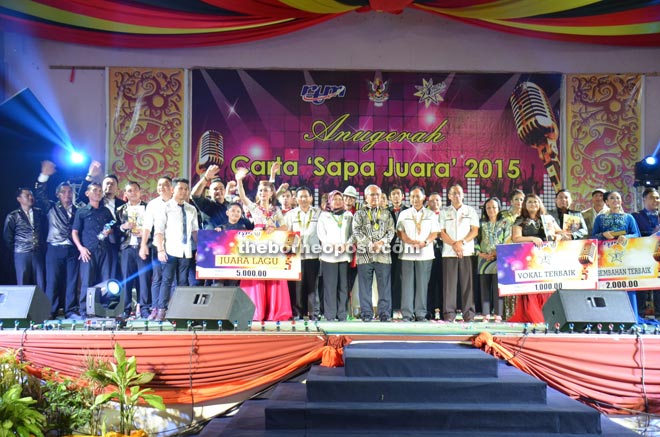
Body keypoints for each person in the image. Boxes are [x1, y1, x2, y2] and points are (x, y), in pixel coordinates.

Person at [235, 167, 292, 321]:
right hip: (258, 245)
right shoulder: (254, 208)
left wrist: (276, 228)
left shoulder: (276, 210)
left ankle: (275, 312)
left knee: (274, 278)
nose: (262, 193)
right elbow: (242, 195)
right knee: (257, 277)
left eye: (266, 191)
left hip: (273, 245)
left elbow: (285, 227)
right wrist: (239, 180)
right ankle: (256, 312)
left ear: (271, 193)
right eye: (260, 191)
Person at [33, 160, 79, 319]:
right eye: (64, 192)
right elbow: (39, 193)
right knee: (52, 282)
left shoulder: (78, 210)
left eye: (70, 192)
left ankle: (70, 310)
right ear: (58, 194)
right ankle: (50, 312)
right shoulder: (51, 207)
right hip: (54, 249)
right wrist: (44, 175)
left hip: (72, 250)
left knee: (72, 282)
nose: (67, 195)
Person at [153, 178, 199, 322]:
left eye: (186, 189)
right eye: (181, 188)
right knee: (166, 280)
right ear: (172, 190)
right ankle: (162, 310)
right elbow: (159, 231)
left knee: (183, 282)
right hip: (170, 250)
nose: (184, 191)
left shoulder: (191, 209)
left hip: (186, 250)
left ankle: (181, 312)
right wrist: (160, 250)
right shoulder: (165, 208)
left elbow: (195, 231)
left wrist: (200, 249)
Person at [509, 193, 560, 323]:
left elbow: (560, 233)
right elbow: (516, 238)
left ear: (540, 204)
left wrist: (558, 236)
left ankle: (549, 314)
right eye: (530, 202)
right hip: (528, 259)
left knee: (545, 287)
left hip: (546, 259)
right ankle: (532, 315)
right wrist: (532, 239)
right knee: (530, 289)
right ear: (525, 205)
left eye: (535, 202)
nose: (533, 204)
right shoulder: (520, 220)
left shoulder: (547, 219)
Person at [71, 182, 117, 318]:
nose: (98, 193)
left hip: (105, 250)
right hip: (88, 251)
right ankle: (85, 311)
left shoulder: (106, 211)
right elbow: (74, 232)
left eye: (99, 191)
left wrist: (110, 230)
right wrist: (81, 249)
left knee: (106, 281)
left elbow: (113, 224)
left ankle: (106, 310)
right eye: (95, 190)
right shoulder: (82, 211)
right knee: (87, 281)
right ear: (87, 193)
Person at [593, 190, 642, 318]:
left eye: (618, 198)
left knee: (626, 285)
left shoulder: (629, 217)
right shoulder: (600, 218)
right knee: (607, 286)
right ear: (606, 202)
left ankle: (631, 317)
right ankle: (607, 317)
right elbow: (593, 237)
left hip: (625, 258)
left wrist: (626, 237)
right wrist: (603, 235)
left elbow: (637, 235)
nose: (616, 200)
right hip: (606, 259)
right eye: (612, 198)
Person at [352, 184, 395, 322]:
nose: (375, 197)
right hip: (364, 255)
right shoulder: (359, 214)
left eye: (378, 194)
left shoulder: (386, 213)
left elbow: (391, 231)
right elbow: (356, 231)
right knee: (365, 287)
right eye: (372, 194)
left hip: (383, 255)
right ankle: (366, 314)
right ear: (366, 197)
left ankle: (384, 314)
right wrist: (370, 244)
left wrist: (381, 243)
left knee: (384, 286)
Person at [396, 186, 439, 322]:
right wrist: (410, 241)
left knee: (422, 284)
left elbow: (435, 232)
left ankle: (420, 313)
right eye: (412, 197)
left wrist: (424, 242)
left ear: (423, 198)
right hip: (407, 252)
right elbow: (399, 231)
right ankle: (407, 314)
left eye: (417, 196)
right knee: (407, 284)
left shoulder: (430, 214)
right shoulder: (404, 214)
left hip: (425, 252)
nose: (415, 199)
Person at [439, 184, 479, 322]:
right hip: (449, 252)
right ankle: (449, 314)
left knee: (467, 284)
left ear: (463, 195)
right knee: (449, 285)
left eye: (459, 193)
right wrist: (454, 244)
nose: (456, 195)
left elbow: (474, 231)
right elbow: (441, 232)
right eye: (453, 193)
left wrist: (461, 243)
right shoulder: (444, 212)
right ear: (449, 196)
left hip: (466, 251)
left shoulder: (470, 211)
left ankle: (468, 314)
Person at [79, 161, 125, 279]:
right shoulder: (96, 201)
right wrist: (90, 174)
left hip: (116, 244)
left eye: (112, 184)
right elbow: (81, 195)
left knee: (112, 277)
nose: (109, 186)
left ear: (117, 187)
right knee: (92, 277)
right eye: (106, 184)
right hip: (95, 245)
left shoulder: (123, 204)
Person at [139, 176, 173, 321]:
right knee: (157, 278)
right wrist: (143, 245)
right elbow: (147, 226)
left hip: (174, 247)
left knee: (170, 279)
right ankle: (155, 308)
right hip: (157, 246)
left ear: (171, 188)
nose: (161, 187)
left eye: (165, 185)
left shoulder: (177, 202)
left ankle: (167, 309)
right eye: (159, 185)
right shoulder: (152, 204)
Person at [285, 186, 322, 320]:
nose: (304, 199)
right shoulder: (290, 214)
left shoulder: (319, 213)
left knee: (313, 285)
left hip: (314, 254)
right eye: (301, 196)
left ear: (311, 198)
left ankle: (314, 313)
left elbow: (323, 233)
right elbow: (287, 233)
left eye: (306, 196)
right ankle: (298, 313)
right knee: (298, 287)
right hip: (297, 255)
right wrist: (289, 246)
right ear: (296, 198)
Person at [317, 190, 353, 321]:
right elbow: (321, 234)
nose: (338, 202)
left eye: (340, 199)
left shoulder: (348, 215)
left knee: (343, 286)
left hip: (344, 255)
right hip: (328, 256)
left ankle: (342, 314)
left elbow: (352, 234)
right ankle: (330, 315)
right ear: (329, 201)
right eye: (334, 199)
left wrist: (346, 245)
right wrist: (331, 246)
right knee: (330, 287)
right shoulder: (324, 216)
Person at [3, 187, 47, 292]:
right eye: (27, 195)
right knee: (23, 282)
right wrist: (18, 247)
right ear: (19, 199)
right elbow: (7, 237)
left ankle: (41, 306)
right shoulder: (13, 216)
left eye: (31, 195)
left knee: (40, 281)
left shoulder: (39, 213)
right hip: (21, 253)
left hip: (37, 252)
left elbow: (45, 230)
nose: (31, 197)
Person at [116, 181, 149, 318]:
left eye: (135, 190)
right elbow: (115, 228)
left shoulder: (148, 208)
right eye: (129, 191)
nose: (133, 193)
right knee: (126, 279)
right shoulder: (120, 210)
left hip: (143, 247)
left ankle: (145, 308)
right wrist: (123, 227)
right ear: (125, 194)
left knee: (144, 280)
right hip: (126, 247)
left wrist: (146, 234)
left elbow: (156, 227)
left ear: (140, 191)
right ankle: (126, 309)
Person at [476, 197, 510, 319]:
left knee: (498, 287)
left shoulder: (506, 222)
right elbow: (476, 239)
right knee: (484, 287)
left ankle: (498, 314)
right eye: (488, 207)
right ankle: (485, 314)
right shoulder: (480, 223)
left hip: (499, 259)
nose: (491, 210)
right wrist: (479, 253)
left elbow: (507, 239)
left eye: (494, 207)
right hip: (483, 259)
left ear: (499, 209)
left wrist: (497, 252)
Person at [632, 187, 660, 317]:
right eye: (652, 197)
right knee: (642, 284)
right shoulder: (635, 216)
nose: (656, 200)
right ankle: (640, 313)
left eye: (658, 198)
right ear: (644, 199)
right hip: (642, 255)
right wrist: (652, 233)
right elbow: (634, 235)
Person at [500, 189, 525, 319]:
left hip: (522, 252)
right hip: (506, 252)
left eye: (521, 199)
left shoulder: (526, 216)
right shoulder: (504, 215)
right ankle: (508, 313)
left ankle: (520, 312)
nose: (519, 202)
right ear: (511, 201)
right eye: (516, 199)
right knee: (507, 284)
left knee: (521, 283)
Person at [388, 185, 408, 319]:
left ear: (403, 197)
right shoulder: (385, 211)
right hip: (390, 249)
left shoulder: (409, 211)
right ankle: (391, 308)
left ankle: (404, 308)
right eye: (393, 194)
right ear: (390, 197)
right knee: (391, 279)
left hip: (407, 249)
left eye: (398, 194)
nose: (396, 196)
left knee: (404, 280)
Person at [426, 191, 444, 319]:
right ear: (428, 203)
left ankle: (444, 311)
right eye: (432, 201)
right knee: (429, 283)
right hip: (428, 253)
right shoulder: (424, 216)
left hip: (445, 253)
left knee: (444, 283)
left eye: (437, 200)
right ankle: (429, 311)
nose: (435, 203)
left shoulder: (446, 215)